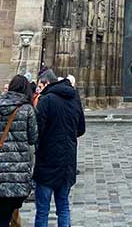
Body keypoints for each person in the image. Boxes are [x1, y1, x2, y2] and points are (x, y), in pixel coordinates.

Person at [33, 71, 86, 227]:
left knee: (43, 209)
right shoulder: (74, 99)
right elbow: (81, 129)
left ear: (47, 83)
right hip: (68, 160)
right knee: (63, 207)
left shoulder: (46, 100)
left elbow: (38, 131)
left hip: (47, 160)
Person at [0, 74, 38, 227]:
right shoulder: (27, 109)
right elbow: (33, 138)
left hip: (0, 168)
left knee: (3, 214)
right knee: (9, 212)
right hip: (18, 170)